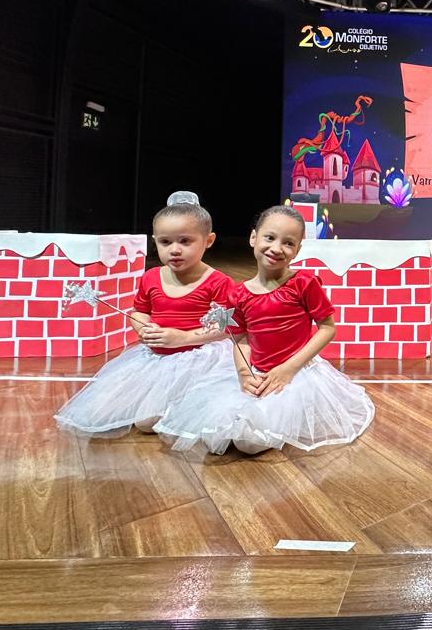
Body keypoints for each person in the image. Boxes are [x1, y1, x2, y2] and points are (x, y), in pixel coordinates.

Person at [156, 205, 374, 454]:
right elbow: (240, 338)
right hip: (257, 371)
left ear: (298, 249)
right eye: (269, 237)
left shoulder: (303, 284)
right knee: (215, 433)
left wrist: (289, 369)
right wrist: (243, 373)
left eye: (288, 243)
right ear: (253, 238)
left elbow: (327, 328)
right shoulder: (238, 293)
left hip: (296, 375)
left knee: (249, 444)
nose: (277, 248)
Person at [55, 191, 235, 438]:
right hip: (156, 359)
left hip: (199, 358)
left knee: (152, 422)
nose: (174, 250)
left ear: (209, 240)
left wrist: (183, 338)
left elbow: (226, 328)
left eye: (185, 241)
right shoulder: (151, 277)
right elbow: (140, 311)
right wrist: (143, 328)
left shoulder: (218, 282)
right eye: (165, 242)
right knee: (131, 418)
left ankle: (184, 406)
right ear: (155, 241)